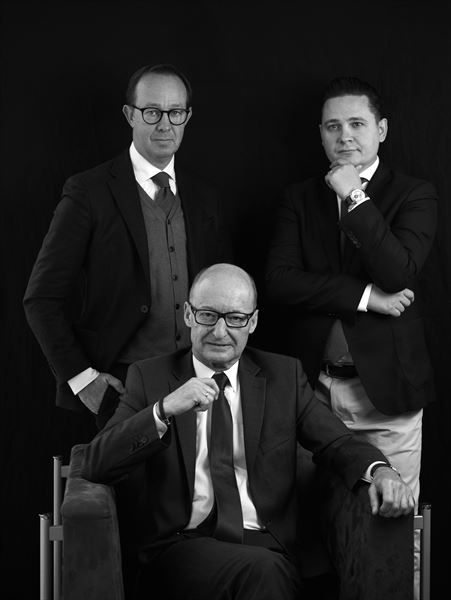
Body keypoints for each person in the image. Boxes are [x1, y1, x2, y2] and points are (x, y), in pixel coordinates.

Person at [81, 263, 414, 600]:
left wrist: (381, 471)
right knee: (264, 572)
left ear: (252, 322)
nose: (220, 331)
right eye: (208, 315)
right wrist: (163, 409)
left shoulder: (283, 376)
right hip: (182, 548)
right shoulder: (149, 377)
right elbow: (95, 463)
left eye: (235, 318)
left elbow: (337, 442)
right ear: (188, 315)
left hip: (269, 545)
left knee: (268, 569)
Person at [265, 76, 437, 597]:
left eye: (357, 124)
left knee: (393, 530)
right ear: (320, 134)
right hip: (312, 393)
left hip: (385, 398)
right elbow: (280, 282)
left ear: (381, 130)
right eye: (333, 126)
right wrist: (365, 297)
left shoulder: (414, 194)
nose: (345, 136)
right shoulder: (299, 199)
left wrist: (354, 195)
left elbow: (398, 271)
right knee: (305, 530)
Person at [23, 63, 232, 428]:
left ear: (187, 117)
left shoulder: (204, 197)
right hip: (122, 390)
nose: (165, 124)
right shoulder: (88, 192)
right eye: (152, 112)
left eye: (175, 112)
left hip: (198, 383)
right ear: (130, 115)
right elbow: (41, 299)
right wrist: (82, 379)